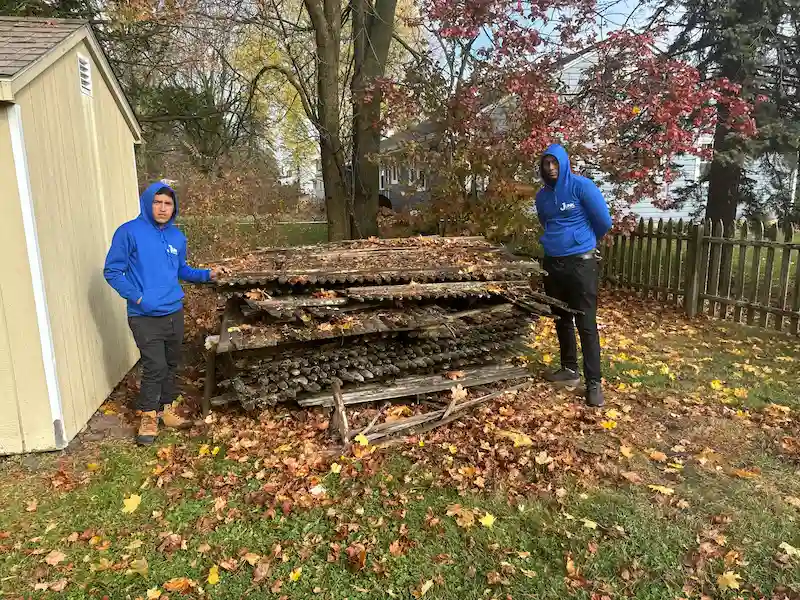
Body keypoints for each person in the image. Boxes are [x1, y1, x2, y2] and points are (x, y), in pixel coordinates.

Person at [104, 181, 218, 445]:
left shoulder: (177, 237)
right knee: (154, 366)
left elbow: (181, 271)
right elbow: (112, 271)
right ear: (147, 203)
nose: (163, 208)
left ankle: (166, 409)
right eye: (157, 202)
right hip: (144, 315)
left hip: (173, 312)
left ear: (174, 207)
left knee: (171, 363)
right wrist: (139, 297)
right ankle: (147, 416)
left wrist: (207, 274)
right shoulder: (129, 232)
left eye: (168, 203)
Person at [534, 144, 612, 407]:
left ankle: (594, 383)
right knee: (561, 318)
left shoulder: (582, 187)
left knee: (586, 322)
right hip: (553, 264)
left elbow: (603, 221)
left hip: (581, 264)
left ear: (564, 163)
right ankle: (569, 369)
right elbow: (546, 223)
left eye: (555, 163)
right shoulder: (543, 197)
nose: (551, 168)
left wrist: (581, 241)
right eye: (546, 164)